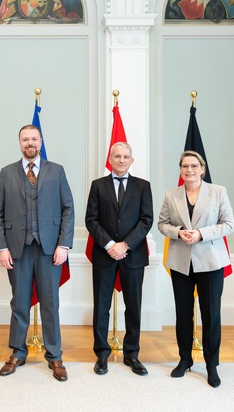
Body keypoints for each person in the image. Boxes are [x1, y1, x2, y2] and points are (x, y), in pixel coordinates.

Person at [0, 124, 75, 382]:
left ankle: (55, 355)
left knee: (50, 304)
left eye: (34, 139)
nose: (30, 143)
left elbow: (68, 209)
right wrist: (2, 247)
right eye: (25, 139)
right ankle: (18, 352)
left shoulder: (56, 171)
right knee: (19, 303)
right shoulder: (6, 173)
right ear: (19, 143)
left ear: (40, 141)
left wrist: (63, 245)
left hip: (49, 249)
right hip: (17, 249)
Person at [157, 150, 234, 388]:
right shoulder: (171, 195)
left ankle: (211, 365)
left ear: (202, 169)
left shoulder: (218, 192)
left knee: (211, 314)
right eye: (185, 166)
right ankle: (185, 359)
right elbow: (162, 224)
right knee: (183, 313)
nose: (189, 170)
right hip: (181, 262)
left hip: (210, 261)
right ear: (180, 170)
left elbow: (228, 224)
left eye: (193, 166)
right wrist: (178, 232)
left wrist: (201, 233)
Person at [85, 142, 153, 376]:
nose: (121, 160)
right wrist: (110, 245)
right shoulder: (98, 186)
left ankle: (132, 354)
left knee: (133, 307)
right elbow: (91, 220)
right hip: (104, 255)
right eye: (117, 156)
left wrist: (125, 245)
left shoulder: (143, 186)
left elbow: (146, 220)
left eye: (125, 156)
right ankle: (102, 355)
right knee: (101, 307)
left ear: (131, 160)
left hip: (133, 255)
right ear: (110, 159)